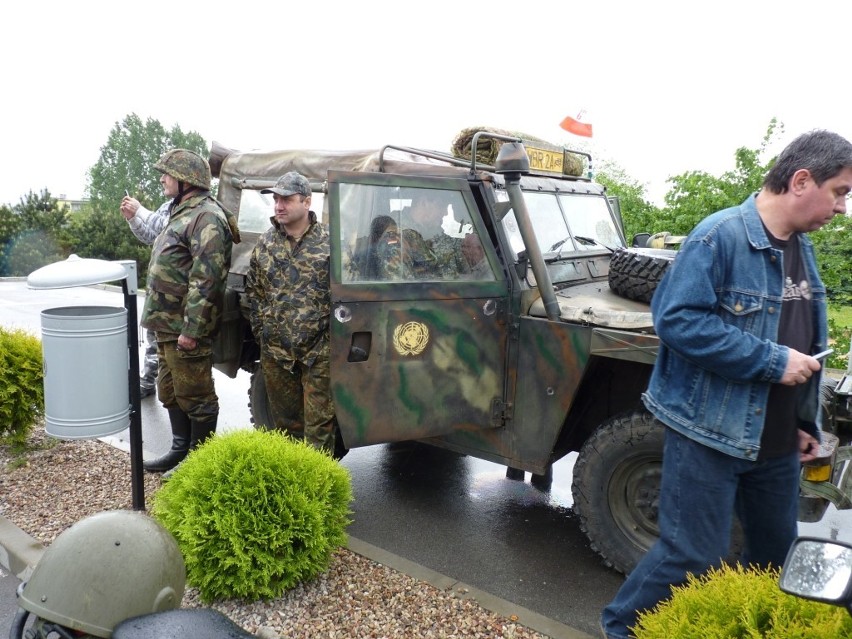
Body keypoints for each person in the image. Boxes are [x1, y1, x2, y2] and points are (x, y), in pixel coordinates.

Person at [600, 129, 852, 639]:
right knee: (692, 556)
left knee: (772, 559)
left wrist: (804, 421)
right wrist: (771, 360)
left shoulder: (800, 247)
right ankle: (620, 629)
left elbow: (801, 333)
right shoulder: (720, 236)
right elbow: (677, 320)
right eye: (840, 191)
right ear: (802, 180)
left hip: (777, 442)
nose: (843, 208)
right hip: (710, 432)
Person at [140, 149, 240, 473]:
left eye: (167, 174)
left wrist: (192, 330)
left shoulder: (206, 216)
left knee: (196, 395)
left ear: (185, 180)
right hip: (166, 324)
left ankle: (200, 464)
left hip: (185, 328)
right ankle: (180, 450)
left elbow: (207, 279)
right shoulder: (181, 211)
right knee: (169, 391)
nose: (162, 179)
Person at [245, 171, 336, 454]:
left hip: (318, 353)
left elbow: (343, 297)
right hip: (276, 353)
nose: (278, 205)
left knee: (319, 429)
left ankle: (320, 493)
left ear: (307, 202)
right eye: (276, 199)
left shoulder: (330, 243)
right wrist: (264, 331)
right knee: (285, 428)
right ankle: (293, 491)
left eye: (286, 199)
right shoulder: (266, 243)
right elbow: (255, 292)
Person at [119, 195, 171, 398]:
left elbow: (168, 228)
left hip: (177, 291)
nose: (162, 179)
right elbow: (151, 235)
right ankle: (148, 381)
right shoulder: (169, 205)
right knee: (153, 336)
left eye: (167, 175)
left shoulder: (190, 208)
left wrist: (140, 210)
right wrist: (133, 219)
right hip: (159, 288)